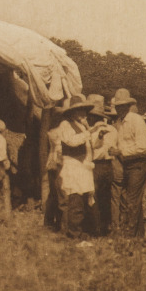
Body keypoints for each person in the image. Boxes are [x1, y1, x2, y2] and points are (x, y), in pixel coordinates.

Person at [110, 89, 146, 239]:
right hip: (128, 165)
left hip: (138, 165)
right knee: (133, 200)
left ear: (128, 105)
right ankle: (139, 235)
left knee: (132, 200)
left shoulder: (136, 120)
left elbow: (144, 147)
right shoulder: (121, 122)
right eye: (117, 106)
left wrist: (121, 152)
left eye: (122, 105)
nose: (119, 108)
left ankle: (130, 235)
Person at [53, 99, 96, 239]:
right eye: (79, 110)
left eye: (84, 110)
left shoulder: (83, 126)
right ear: (72, 112)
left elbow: (89, 146)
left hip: (83, 167)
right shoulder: (65, 125)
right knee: (75, 199)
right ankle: (73, 232)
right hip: (72, 166)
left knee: (84, 200)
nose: (83, 113)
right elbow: (71, 141)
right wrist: (88, 133)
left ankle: (81, 229)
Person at [86, 96, 115, 237]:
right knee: (106, 198)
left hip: (96, 166)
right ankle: (106, 226)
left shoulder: (91, 131)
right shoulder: (112, 129)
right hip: (109, 166)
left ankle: (95, 228)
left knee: (94, 198)